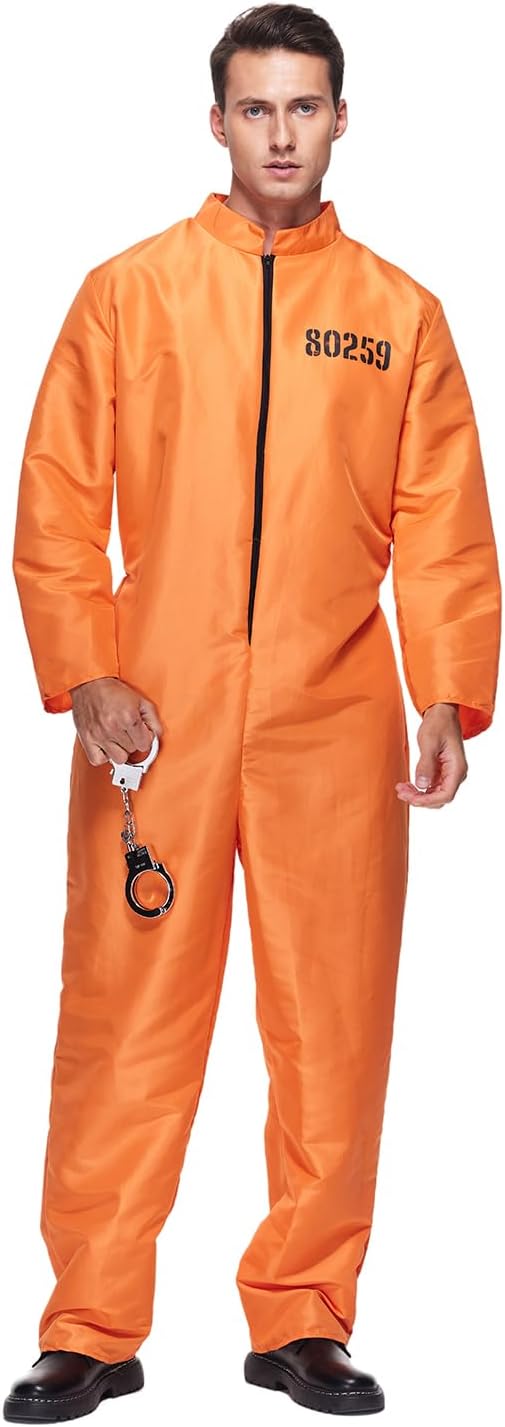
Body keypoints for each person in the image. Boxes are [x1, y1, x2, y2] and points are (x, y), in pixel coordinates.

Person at [4, 3, 502, 1420]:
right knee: (123, 1022)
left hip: (334, 717)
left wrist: (447, 693)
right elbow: (58, 501)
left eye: (305, 106)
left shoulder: (400, 316)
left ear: (342, 119)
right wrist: (88, 669)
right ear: (216, 122)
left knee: (332, 1028)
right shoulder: (129, 294)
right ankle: (90, 1325)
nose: (281, 133)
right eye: (256, 107)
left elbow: (443, 524)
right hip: (151, 718)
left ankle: (302, 1317)